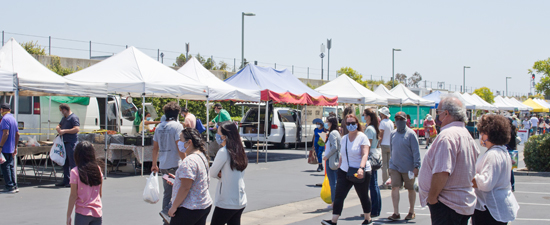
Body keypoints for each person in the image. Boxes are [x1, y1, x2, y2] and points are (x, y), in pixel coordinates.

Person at [418, 96, 480, 225]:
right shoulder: (466, 135)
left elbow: (442, 172)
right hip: (461, 202)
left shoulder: (447, 136)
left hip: (447, 203)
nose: (437, 117)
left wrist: (432, 198)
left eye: (438, 112)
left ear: (446, 113)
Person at [322, 114, 372, 225]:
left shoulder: (362, 137)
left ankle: (368, 219)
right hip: (345, 170)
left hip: (360, 170)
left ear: (357, 124)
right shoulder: (344, 138)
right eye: (348, 123)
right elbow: (342, 155)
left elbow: (365, 154)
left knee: (363, 195)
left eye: (353, 123)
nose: (350, 126)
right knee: (339, 195)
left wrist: (361, 168)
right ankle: (333, 220)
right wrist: (339, 167)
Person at [472, 115, 520, 224]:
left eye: (482, 133)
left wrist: (470, 176)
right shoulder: (502, 151)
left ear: (489, 134)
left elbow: (485, 184)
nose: (481, 136)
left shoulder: (493, 154)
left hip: (490, 209)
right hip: (497, 206)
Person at [168, 128, 212, 225]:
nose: (179, 142)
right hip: (202, 204)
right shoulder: (201, 155)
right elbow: (194, 180)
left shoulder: (189, 161)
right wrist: (177, 180)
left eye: (181, 139)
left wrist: (174, 207)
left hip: (189, 207)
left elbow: (185, 187)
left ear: (189, 142)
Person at [151, 102, 184, 224]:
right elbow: (179, 145)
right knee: (179, 192)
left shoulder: (159, 127)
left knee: (167, 193)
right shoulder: (177, 126)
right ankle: (170, 216)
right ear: (177, 114)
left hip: (163, 164)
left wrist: (154, 164)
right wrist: (186, 161)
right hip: (175, 163)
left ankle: (166, 218)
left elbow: (155, 148)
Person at [209, 121, 248, 225]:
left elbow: (212, 173)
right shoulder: (240, 150)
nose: (217, 136)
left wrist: (221, 174)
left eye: (218, 133)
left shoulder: (223, 152)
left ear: (224, 137)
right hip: (240, 199)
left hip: (226, 201)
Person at [387, 111, 421, 221]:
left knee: (410, 189)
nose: (399, 121)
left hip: (409, 167)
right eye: (397, 119)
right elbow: (392, 150)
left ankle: (411, 211)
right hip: (395, 166)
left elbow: (416, 151)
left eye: (401, 119)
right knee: (394, 187)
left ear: (406, 120)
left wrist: (416, 166)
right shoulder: (393, 133)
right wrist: (390, 165)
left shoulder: (411, 134)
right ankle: (396, 212)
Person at [66, 141, 103, 225]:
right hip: (97, 212)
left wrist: (68, 215)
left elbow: (73, 195)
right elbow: (100, 194)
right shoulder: (98, 169)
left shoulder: (75, 172)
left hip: (82, 213)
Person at [362, 108, 382, 217]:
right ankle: (376, 208)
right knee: (374, 184)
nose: (363, 117)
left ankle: (373, 210)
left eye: (364, 115)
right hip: (376, 156)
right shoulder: (374, 128)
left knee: (372, 184)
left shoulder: (370, 129)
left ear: (368, 116)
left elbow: (367, 145)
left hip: (370, 158)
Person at [56, 103, 80, 188]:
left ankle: (74, 181)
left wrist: (65, 131)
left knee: (72, 162)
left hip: (71, 143)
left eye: (61, 111)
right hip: (64, 142)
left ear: (65, 110)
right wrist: (58, 128)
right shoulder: (64, 118)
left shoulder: (73, 117)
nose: (61, 112)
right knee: (65, 162)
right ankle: (66, 180)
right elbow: (59, 125)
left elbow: (77, 129)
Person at [322, 115, 341, 210]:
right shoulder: (335, 132)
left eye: (327, 121)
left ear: (331, 123)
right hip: (335, 159)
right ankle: (336, 202)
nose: (325, 123)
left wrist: (327, 156)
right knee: (335, 182)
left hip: (332, 160)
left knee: (333, 183)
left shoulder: (333, 133)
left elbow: (335, 147)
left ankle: (334, 203)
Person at [0, 103, 19, 193]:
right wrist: (15, 147)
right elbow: (17, 134)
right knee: (11, 166)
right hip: (11, 147)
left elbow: (5, 133)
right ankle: (14, 185)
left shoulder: (5, 119)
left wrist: (0, 146)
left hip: (5, 147)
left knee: (5, 167)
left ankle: (10, 186)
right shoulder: (13, 119)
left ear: (3, 110)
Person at [378, 107, 394, 189]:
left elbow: (381, 134)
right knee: (390, 165)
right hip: (390, 144)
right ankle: (390, 182)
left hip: (384, 144)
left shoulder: (383, 123)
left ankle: (385, 183)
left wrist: (378, 143)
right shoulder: (391, 122)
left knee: (384, 165)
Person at [505, 116, 518, 192]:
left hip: (508, 149)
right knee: (510, 169)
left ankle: (511, 185)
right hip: (512, 149)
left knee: (509, 169)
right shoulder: (513, 129)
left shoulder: (508, 130)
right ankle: (512, 185)